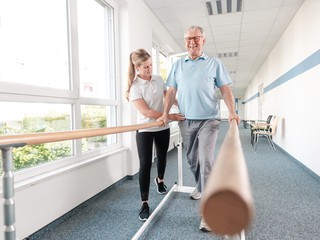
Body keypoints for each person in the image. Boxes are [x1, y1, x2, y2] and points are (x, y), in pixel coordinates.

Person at [158, 26, 240, 232]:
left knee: (205, 161)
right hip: (186, 120)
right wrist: (165, 113)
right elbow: (171, 91)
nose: (191, 42)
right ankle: (202, 186)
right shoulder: (178, 65)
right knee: (193, 161)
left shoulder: (214, 63)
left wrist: (232, 111)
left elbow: (225, 89)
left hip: (209, 121)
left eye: (196, 38)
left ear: (203, 40)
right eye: (188, 39)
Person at [126, 48, 184, 221]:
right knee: (145, 164)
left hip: (162, 126)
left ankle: (159, 181)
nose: (149, 69)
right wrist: (169, 116)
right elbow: (147, 112)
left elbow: (168, 96)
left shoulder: (158, 79)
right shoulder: (134, 88)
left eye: (151, 65)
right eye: (145, 67)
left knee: (162, 157)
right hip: (145, 128)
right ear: (137, 68)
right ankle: (144, 203)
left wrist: (180, 105)